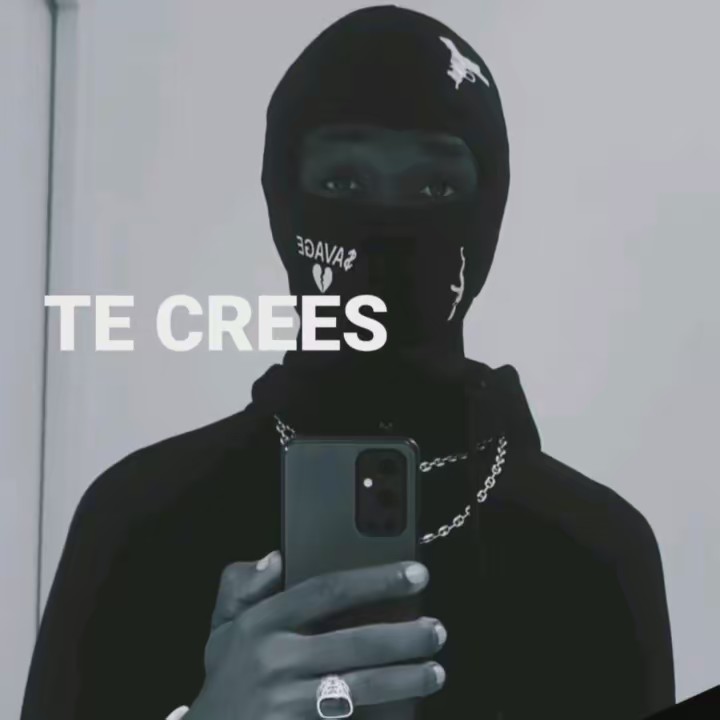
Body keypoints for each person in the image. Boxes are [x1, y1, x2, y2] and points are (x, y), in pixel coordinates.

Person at [20, 6, 675, 720]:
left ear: (489, 206)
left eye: (435, 187)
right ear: (282, 198)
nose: (389, 224)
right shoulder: (141, 523)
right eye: (342, 184)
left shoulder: (594, 550)